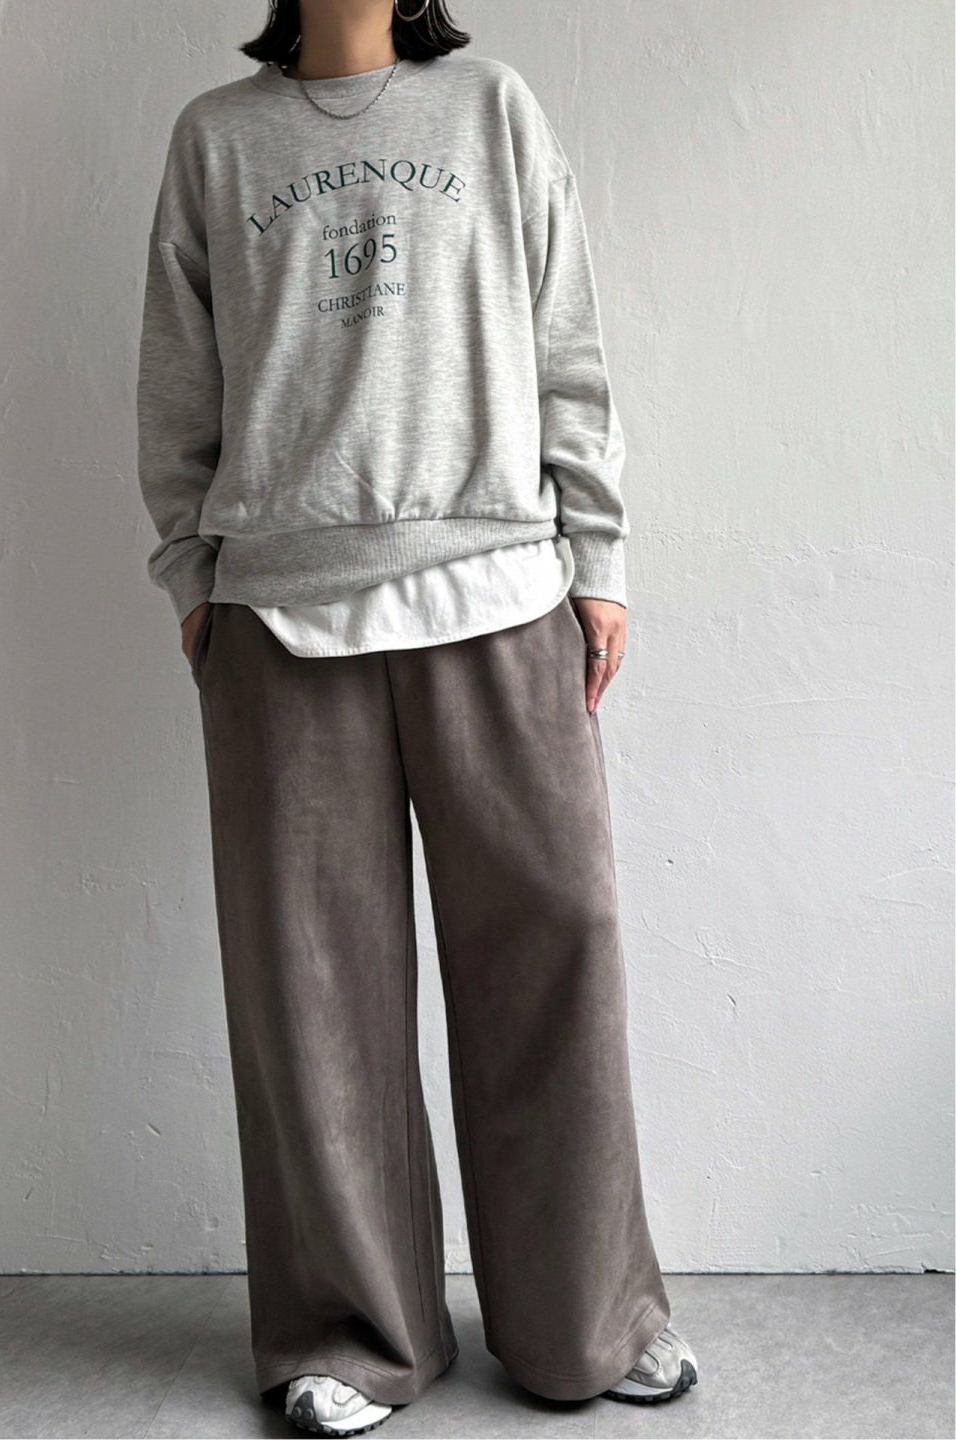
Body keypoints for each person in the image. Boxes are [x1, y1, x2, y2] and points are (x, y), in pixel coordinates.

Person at [136, 0, 699, 1431]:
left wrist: (599, 556)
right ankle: (353, 1334)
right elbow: (179, 380)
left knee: (554, 945)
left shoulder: (492, 108)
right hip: (283, 613)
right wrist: (194, 577)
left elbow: (565, 341)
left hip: (499, 585)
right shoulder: (216, 141)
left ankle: (586, 1320)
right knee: (310, 989)